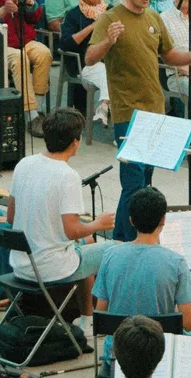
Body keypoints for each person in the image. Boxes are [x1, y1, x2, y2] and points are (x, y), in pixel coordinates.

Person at [89, 0, 191, 236]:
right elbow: (90, 58)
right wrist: (108, 42)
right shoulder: (110, 19)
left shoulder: (153, 17)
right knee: (133, 184)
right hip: (128, 112)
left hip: (155, 109)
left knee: (146, 182)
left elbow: (170, 56)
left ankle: (141, 237)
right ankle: (121, 241)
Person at [9, 108, 115, 299]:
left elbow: (11, 217)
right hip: (51, 269)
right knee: (114, 250)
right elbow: (72, 231)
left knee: (88, 242)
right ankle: (95, 318)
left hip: (20, 265)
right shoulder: (68, 176)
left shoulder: (24, 163)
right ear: (75, 142)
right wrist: (98, 224)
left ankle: (86, 318)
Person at [90, 187, 191, 334]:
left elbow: (101, 313)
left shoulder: (110, 255)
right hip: (158, 349)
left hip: (119, 350)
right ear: (163, 219)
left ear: (131, 221)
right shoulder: (177, 262)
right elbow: (188, 323)